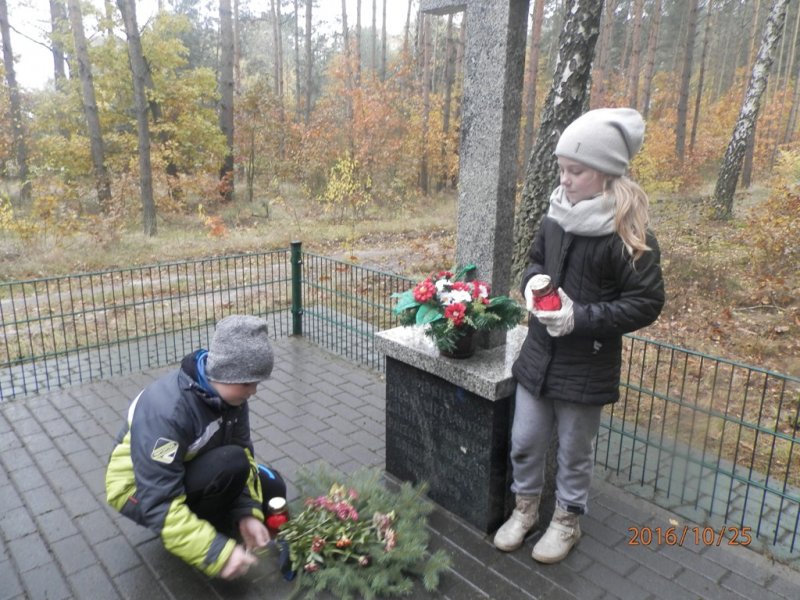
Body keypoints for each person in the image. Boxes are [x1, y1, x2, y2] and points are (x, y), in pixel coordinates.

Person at [494, 108, 665, 563]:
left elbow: (646, 303)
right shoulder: (555, 216)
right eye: (562, 169)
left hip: (586, 363)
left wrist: (580, 317)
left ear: (606, 174)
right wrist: (533, 282)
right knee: (525, 441)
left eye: (576, 170)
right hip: (538, 356)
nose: (564, 180)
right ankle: (525, 510)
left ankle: (567, 522)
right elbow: (534, 260)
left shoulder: (628, 233)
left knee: (573, 451)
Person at [105, 314, 287, 580]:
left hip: (184, 466)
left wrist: (246, 512)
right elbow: (159, 501)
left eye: (257, 383)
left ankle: (209, 519)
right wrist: (216, 553)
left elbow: (245, 454)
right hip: (135, 488)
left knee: (272, 486)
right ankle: (197, 530)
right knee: (230, 463)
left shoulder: (232, 400)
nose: (254, 392)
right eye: (249, 383)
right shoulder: (168, 413)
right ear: (227, 372)